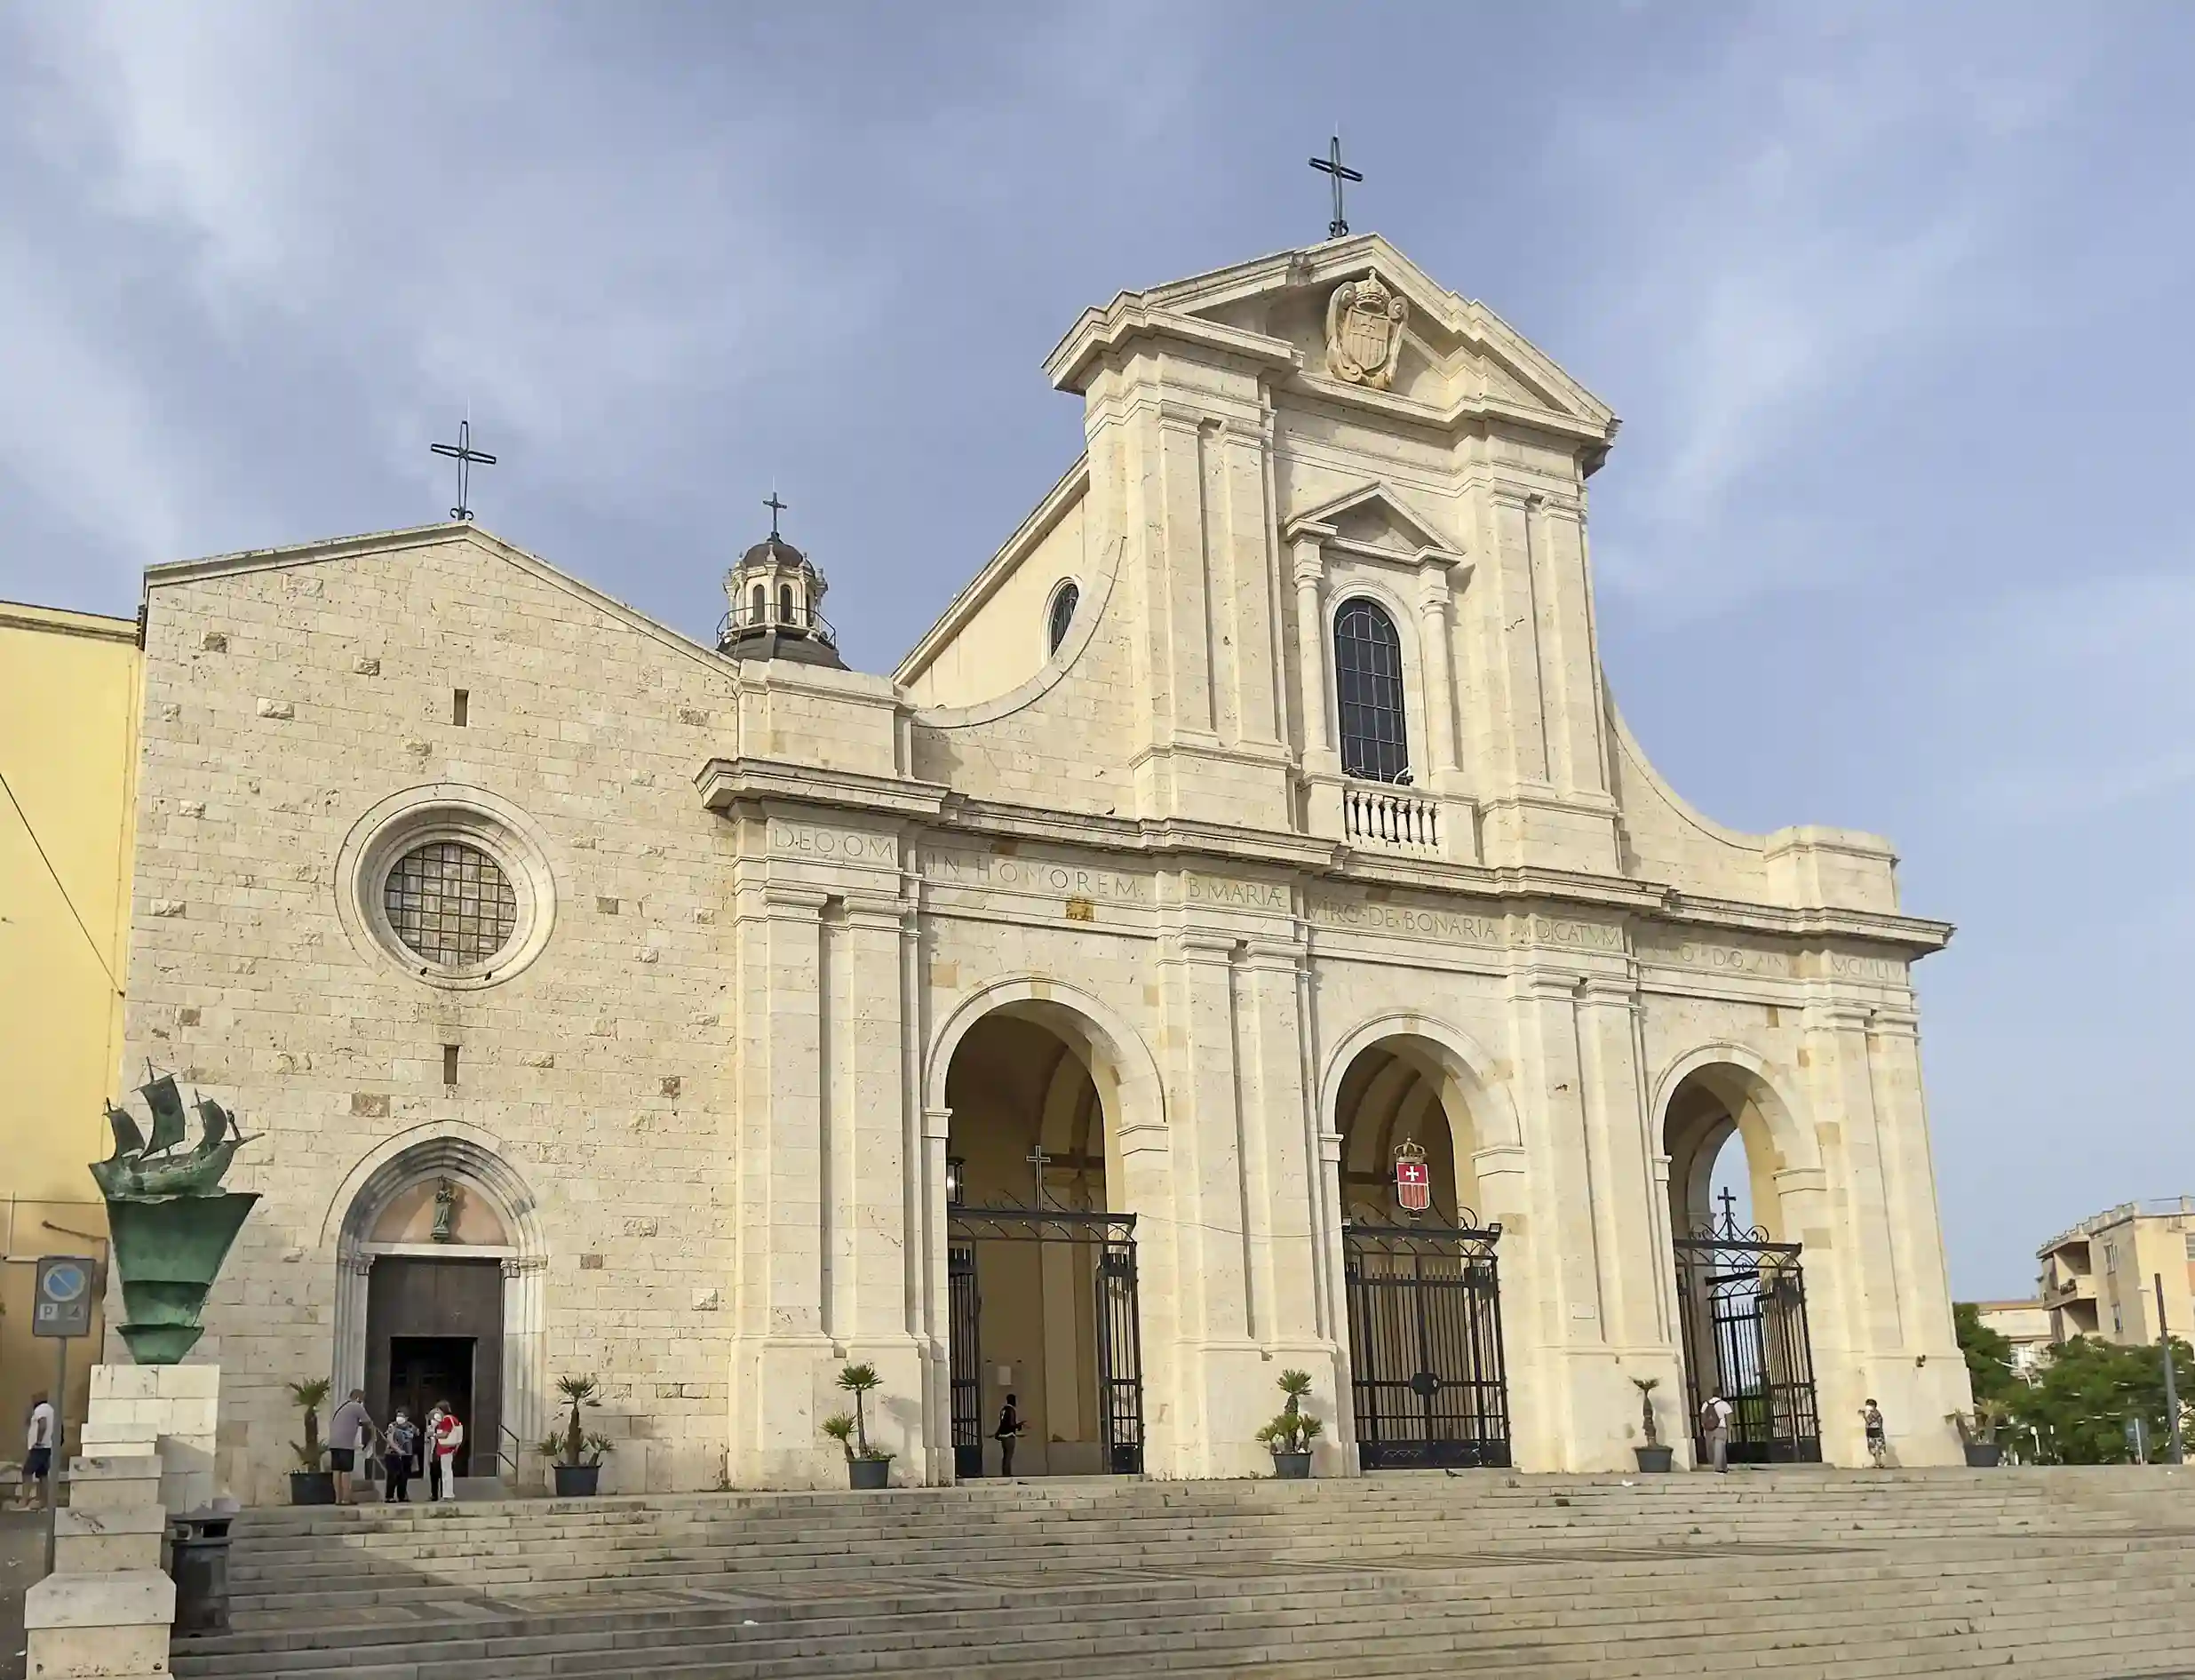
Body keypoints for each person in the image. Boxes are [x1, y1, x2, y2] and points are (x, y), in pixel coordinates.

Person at [327, 1389, 375, 1505]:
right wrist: (374, 1434)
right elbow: (368, 1422)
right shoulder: (356, 1406)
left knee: (336, 1470)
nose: (362, 1402)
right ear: (358, 1398)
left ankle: (338, 1499)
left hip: (334, 1443)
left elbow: (353, 1421)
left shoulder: (342, 1406)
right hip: (345, 1444)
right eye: (362, 1399)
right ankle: (346, 1499)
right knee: (346, 1471)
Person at [19, 1393, 55, 1511]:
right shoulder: (50, 1409)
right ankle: (43, 1500)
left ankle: (24, 1500)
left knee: (27, 1472)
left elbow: (42, 1425)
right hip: (47, 1447)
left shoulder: (41, 1409)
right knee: (42, 1474)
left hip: (39, 1448)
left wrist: (38, 1441)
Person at [381, 1408, 419, 1503]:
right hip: (392, 1454)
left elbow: (417, 1433)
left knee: (404, 1476)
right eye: (398, 1415)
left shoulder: (410, 1426)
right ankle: (389, 1496)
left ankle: (402, 1496)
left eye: (402, 1416)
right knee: (393, 1475)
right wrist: (398, 1450)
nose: (399, 1418)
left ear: (406, 1417)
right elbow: (390, 1440)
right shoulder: (392, 1426)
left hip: (407, 1454)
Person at [430, 1404, 465, 1501]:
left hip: (445, 1448)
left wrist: (434, 1435)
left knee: (446, 1472)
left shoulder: (446, 1419)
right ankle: (448, 1494)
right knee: (447, 1471)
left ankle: (448, 1495)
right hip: (451, 1448)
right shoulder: (454, 1419)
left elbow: (445, 1434)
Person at [1700, 1391, 1734, 1473]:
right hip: (1720, 1428)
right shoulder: (1723, 1404)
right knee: (1720, 1448)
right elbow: (1729, 1417)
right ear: (1720, 1394)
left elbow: (1702, 1418)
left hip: (1709, 1429)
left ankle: (1723, 1467)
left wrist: (1705, 1428)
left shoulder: (1706, 1404)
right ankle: (1719, 1467)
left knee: (1712, 1448)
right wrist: (1729, 1428)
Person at [994, 1393, 1025, 1477]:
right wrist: (1019, 1425)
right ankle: (1007, 1473)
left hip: (1003, 1436)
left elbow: (1003, 1423)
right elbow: (1011, 1424)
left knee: (1005, 1455)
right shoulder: (1011, 1410)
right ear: (1012, 1401)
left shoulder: (1003, 1410)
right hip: (1009, 1435)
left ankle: (1005, 1472)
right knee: (1009, 1455)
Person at [1862, 1398, 1889, 1468]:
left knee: (1877, 1448)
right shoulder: (1871, 1413)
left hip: (1876, 1432)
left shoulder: (1875, 1413)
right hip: (1872, 1432)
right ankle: (1878, 1462)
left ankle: (1878, 1463)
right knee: (1873, 1449)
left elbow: (1869, 1421)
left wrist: (1864, 1416)